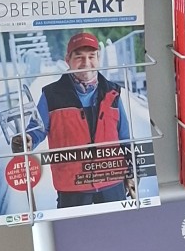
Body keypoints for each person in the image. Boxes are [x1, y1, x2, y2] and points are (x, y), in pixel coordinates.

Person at [21, 32, 134, 208]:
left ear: (98, 58)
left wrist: (132, 173)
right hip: (72, 187)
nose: (86, 63)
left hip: (112, 183)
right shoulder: (51, 95)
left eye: (91, 56)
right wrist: (27, 140)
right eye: (79, 57)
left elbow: (125, 138)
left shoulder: (113, 93)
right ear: (68, 60)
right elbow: (36, 130)